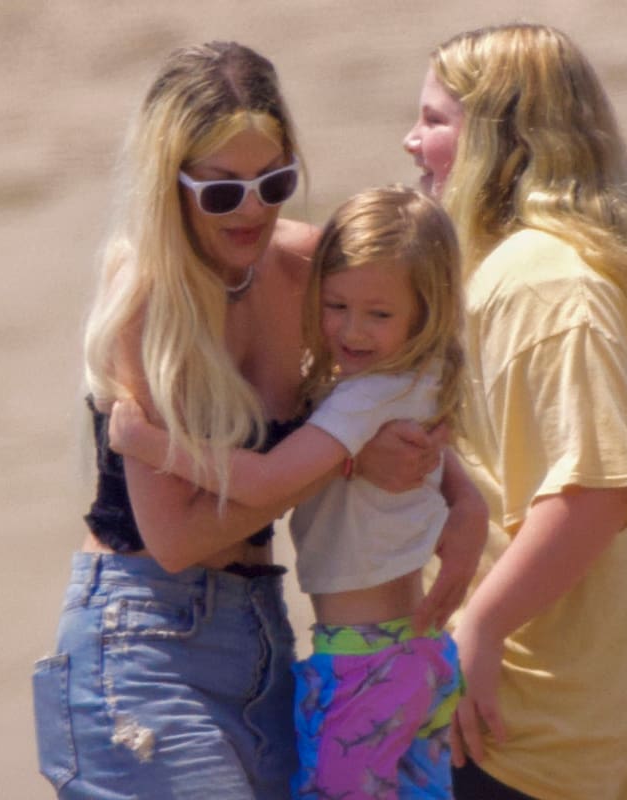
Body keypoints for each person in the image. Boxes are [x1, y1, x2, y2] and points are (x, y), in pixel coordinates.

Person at [31, 43, 483, 800]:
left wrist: (460, 495)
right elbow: (175, 539)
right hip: (141, 639)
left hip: (271, 632)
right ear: (168, 186)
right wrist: (342, 460)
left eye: (273, 181)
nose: (252, 209)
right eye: (220, 191)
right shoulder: (145, 304)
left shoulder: (313, 275)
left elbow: (398, 387)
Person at [401, 23, 627, 800]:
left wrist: (482, 627)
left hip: (534, 715)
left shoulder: (546, 281)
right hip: (588, 701)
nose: (410, 141)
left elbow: (595, 493)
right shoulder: (578, 265)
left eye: (436, 121)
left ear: (500, 140)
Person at [109, 184, 475, 799]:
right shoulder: (417, 377)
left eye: (378, 315)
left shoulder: (364, 399)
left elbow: (267, 481)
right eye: (335, 305)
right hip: (417, 659)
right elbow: (454, 487)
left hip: (364, 667)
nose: (352, 331)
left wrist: (148, 443)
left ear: (426, 311)